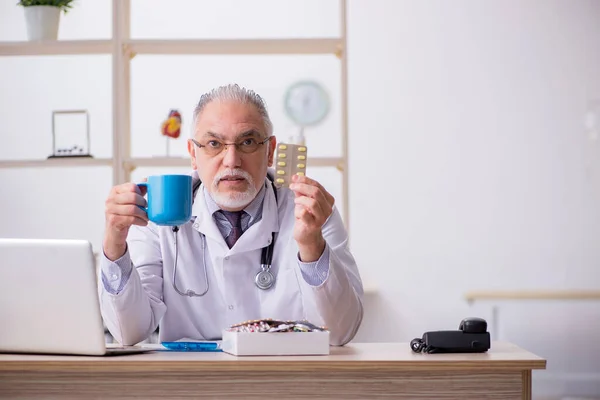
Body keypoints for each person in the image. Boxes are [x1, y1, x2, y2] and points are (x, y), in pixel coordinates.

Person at [99, 84, 364, 346]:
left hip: (286, 379)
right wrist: (114, 243)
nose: (231, 160)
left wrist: (311, 246)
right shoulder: (157, 217)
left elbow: (340, 332)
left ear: (270, 151)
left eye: (247, 142)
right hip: (190, 382)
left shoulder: (311, 211)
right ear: (194, 154)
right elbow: (129, 332)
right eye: (214, 143)